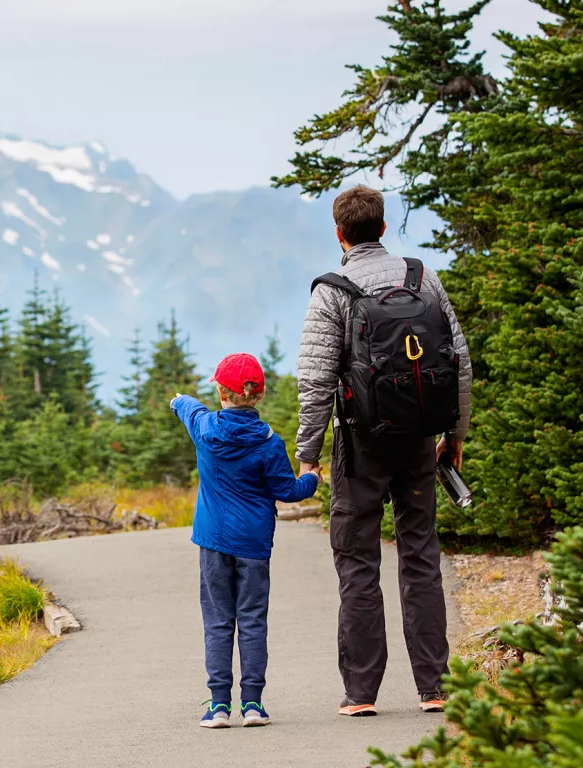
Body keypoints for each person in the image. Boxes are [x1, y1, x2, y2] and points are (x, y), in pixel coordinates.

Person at [295, 185, 472, 717]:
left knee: (357, 564)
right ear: (383, 228)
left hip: (361, 444)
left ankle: (361, 693)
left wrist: (307, 454)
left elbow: (315, 381)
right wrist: (454, 435)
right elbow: (459, 361)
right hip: (419, 442)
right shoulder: (422, 277)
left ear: (340, 233)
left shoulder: (333, 290)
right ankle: (435, 687)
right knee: (420, 556)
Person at [171, 353, 321, 729]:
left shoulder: (204, 427)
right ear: (259, 395)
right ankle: (253, 704)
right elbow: (287, 491)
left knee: (218, 621)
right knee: (253, 620)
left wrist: (177, 401)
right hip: (254, 545)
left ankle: (218, 705)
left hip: (212, 542)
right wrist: (313, 478)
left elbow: (188, 406)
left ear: (221, 392)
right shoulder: (270, 442)